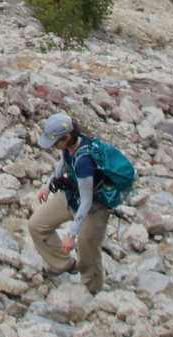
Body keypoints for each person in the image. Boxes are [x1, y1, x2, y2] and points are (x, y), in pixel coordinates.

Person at [26, 111, 110, 296]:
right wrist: (48, 186)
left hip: (94, 207)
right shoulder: (67, 147)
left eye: (56, 142)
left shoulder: (84, 162)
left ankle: (91, 290)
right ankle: (64, 264)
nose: (54, 146)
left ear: (67, 136)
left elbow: (87, 202)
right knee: (37, 225)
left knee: (88, 248)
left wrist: (72, 234)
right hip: (71, 194)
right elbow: (61, 164)